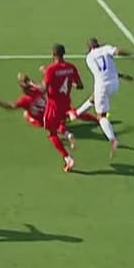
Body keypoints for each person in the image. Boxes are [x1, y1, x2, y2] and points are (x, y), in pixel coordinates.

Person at [73, 38, 134, 157]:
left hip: (102, 86)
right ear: (98, 44)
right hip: (115, 85)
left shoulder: (89, 58)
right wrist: (132, 57)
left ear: (89, 48)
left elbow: (101, 73)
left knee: (101, 116)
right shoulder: (106, 49)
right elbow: (117, 53)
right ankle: (76, 114)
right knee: (95, 97)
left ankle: (113, 140)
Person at [41, 44, 83, 172]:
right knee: (59, 124)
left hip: (53, 106)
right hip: (66, 104)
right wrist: (70, 82)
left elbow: (43, 89)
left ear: (53, 55)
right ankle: (68, 135)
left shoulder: (51, 70)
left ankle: (67, 158)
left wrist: (31, 84)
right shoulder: (71, 67)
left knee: (51, 133)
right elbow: (80, 86)